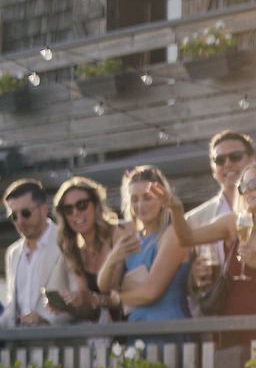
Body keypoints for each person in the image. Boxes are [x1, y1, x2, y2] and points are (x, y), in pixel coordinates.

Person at [158, 160, 256, 315]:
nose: (248, 191)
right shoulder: (233, 222)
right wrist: (176, 210)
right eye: (243, 187)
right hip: (232, 324)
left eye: (253, 183)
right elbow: (187, 238)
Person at [96, 165, 190, 326]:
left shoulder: (172, 233)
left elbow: (151, 292)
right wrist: (113, 258)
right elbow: (104, 285)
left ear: (162, 199)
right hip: (138, 330)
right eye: (134, 199)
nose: (141, 205)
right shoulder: (134, 239)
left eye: (147, 197)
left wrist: (115, 300)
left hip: (168, 329)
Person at [0, 179, 69, 326]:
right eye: (13, 216)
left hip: (60, 341)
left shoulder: (66, 243)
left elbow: (79, 300)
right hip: (23, 343)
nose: (20, 221)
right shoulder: (13, 253)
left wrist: (46, 320)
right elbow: (14, 306)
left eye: (26, 213)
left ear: (43, 209)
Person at [188, 129, 254, 288]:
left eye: (236, 156)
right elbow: (184, 282)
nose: (228, 164)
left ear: (253, 159)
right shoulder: (195, 219)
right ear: (212, 169)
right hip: (223, 307)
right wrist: (193, 275)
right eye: (219, 160)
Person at [52, 177, 121, 321]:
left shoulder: (118, 233)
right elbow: (87, 308)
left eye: (81, 205)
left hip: (133, 322)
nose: (75, 213)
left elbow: (121, 296)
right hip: (106, 333)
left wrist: (93, 299)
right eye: (68, 209)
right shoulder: (75, 251)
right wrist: (68, 305)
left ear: (96, 205)